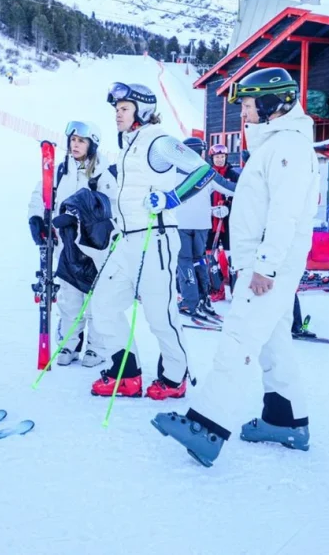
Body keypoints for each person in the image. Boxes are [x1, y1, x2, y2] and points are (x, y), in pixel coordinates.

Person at [151, 67, 319, 467]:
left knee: (238, 341)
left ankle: (206, 428)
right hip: (266, 264)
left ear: (270, 104)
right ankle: (286, 421)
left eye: (247, 105)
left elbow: (285, 214)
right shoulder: (275, 145)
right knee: (274, 345)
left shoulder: (288, 148)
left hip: (268, 267)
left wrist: (265, 266)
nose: (243, 113)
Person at [88, 83, 229, 400]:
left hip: (156, 239)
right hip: (126, 241)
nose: (117, 115)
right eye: (116, 109)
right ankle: (125, 373)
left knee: (159, 314)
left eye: (123, 109)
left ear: (143, 110)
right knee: (104, 304)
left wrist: (171, 198)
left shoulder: (160, 142)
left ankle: (174, 378)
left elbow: (203, 171)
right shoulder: (128, 144)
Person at [28, 120, 116, 368]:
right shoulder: (60, 171)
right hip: (66, 245)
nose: (75, 145)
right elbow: (41, 194)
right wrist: (36, 218)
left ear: (93, 145)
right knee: (69, 298)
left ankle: (96, 348)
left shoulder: (105, 172)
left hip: (95, 247)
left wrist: (79, 217)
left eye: (81, 141)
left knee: (95, 298)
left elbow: (111, 206)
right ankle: (69, 343)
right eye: (73, 140)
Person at [173, 137, 234, 321]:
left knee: (185, 261)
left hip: (182, 224)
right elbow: (231, 188)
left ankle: (189, 302)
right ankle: (204, 299)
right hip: (202, 225)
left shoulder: (173, 171)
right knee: (200, 260)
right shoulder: (206, 172)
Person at [206, 144, 240, 254]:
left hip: (228, 218)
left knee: (228, 245)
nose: (220, 160)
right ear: (212, 159)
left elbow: (240, 194)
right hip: (210, 217)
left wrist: (228, 204)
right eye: (217, 157)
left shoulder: (233, 175)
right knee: (208, 245)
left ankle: (229, 267)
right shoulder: (207, 175)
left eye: (222, 157)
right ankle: (212, 266)